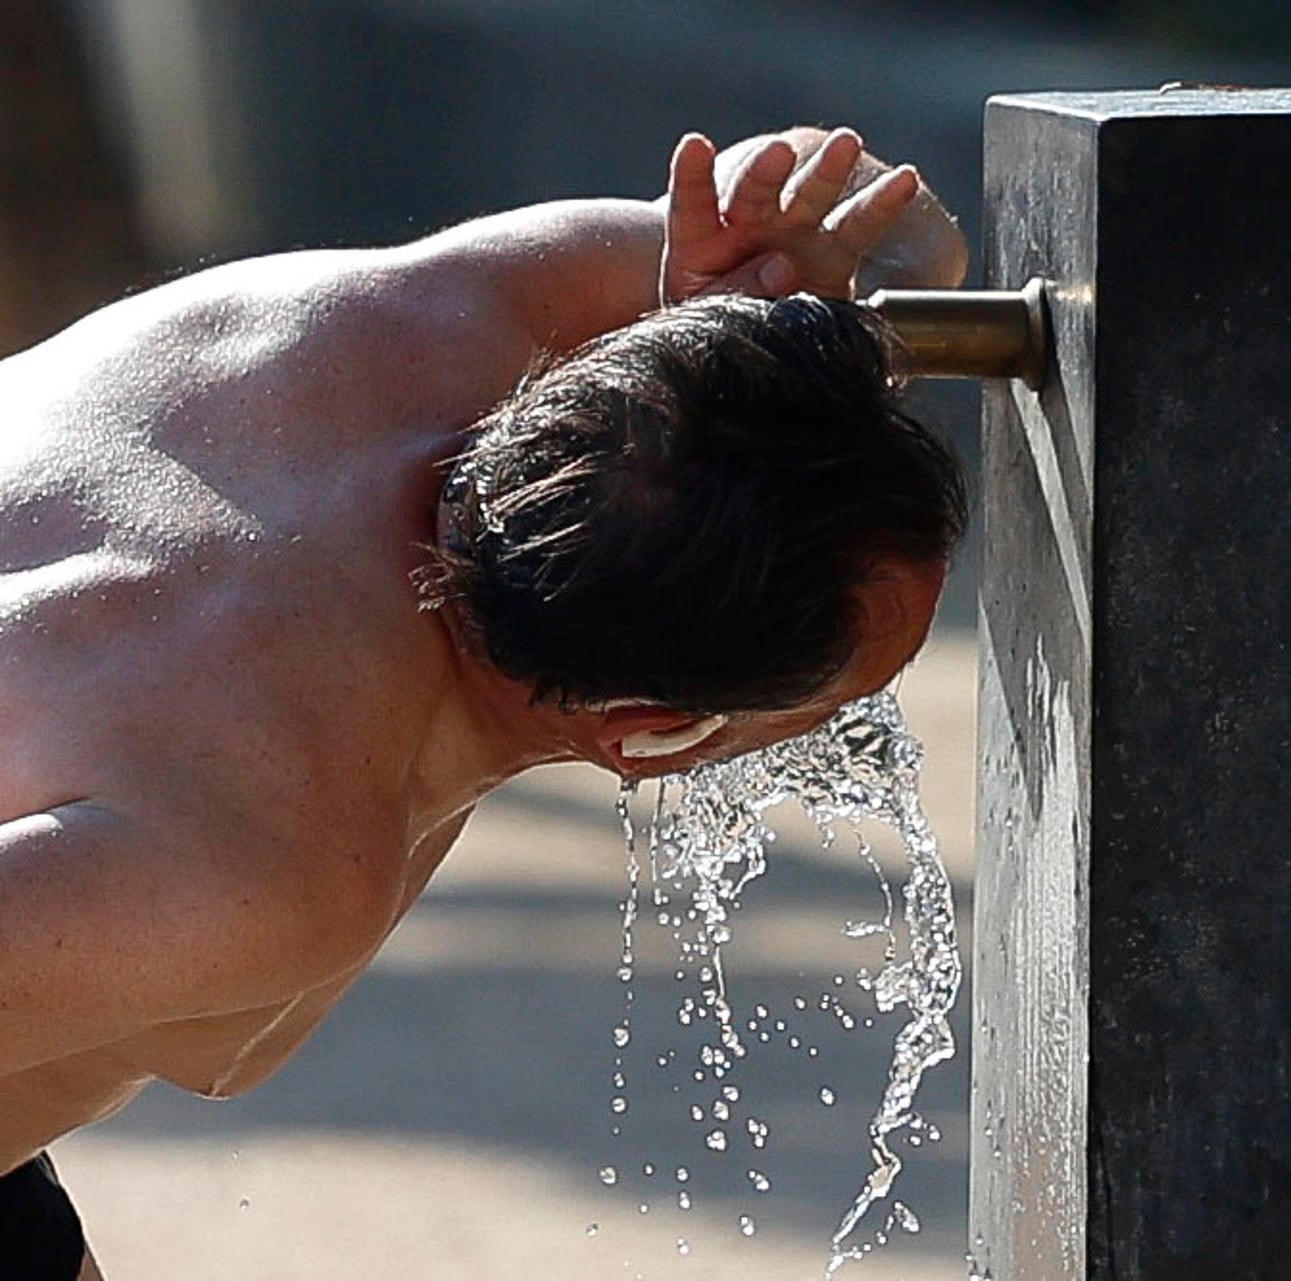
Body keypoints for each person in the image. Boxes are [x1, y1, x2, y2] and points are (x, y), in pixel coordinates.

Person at [0, 125, 968, 1280]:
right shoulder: (270, 846)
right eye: (853, 693)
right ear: (651, 733)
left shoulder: (479, 310)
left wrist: (811, 278)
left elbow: (894, 220)